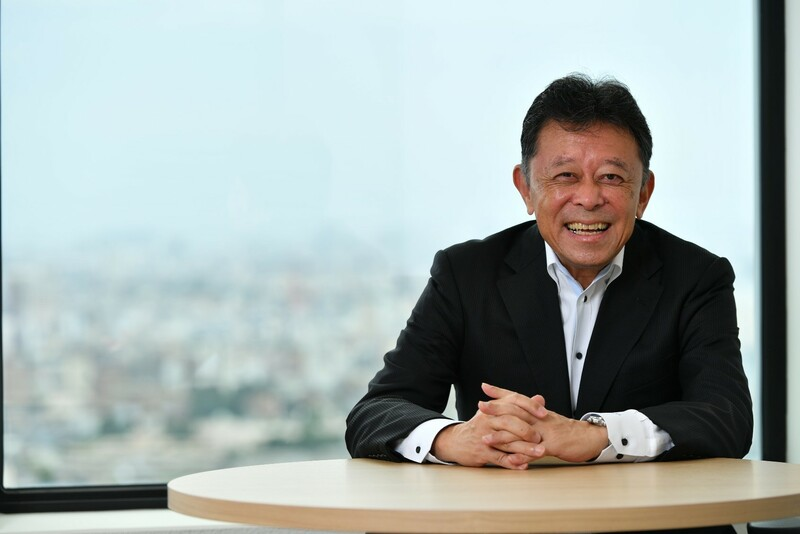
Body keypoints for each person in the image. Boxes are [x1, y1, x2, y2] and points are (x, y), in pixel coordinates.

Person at [345, 73, 753, 531]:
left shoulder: (696, 277)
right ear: (525, 188)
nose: (589, 198)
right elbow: (376, 413)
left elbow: (726, 418)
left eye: (612, 177)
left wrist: (594, 436)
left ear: (643, 193)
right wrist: (453, 439)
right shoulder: (466, 274)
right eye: (565, 176)